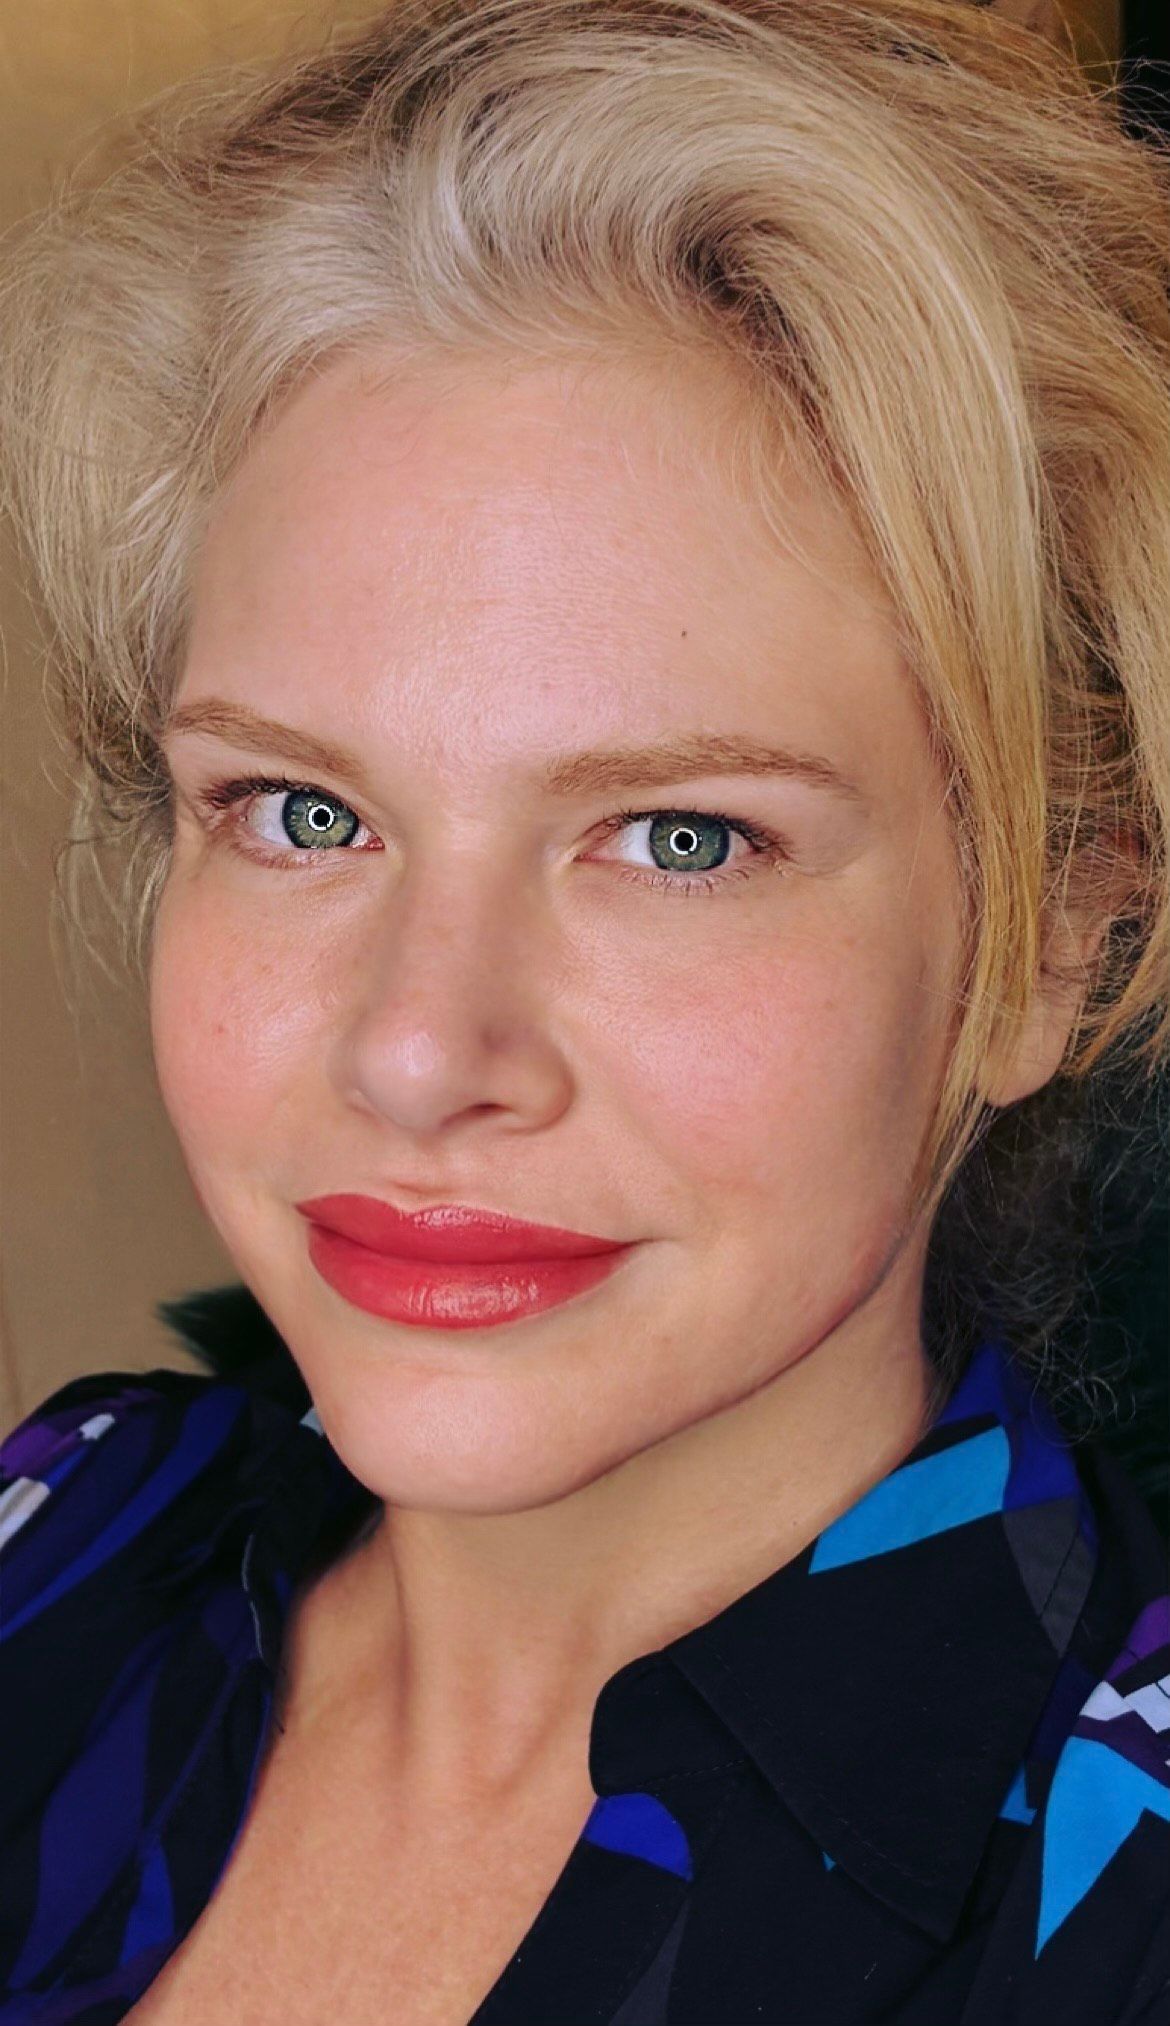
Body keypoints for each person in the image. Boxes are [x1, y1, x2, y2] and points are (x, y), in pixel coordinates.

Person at [1, 1, 1167, 2020]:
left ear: (1054, 946)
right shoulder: (67, 1533)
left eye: (681, 838)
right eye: (303, 810)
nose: (416, 1048)